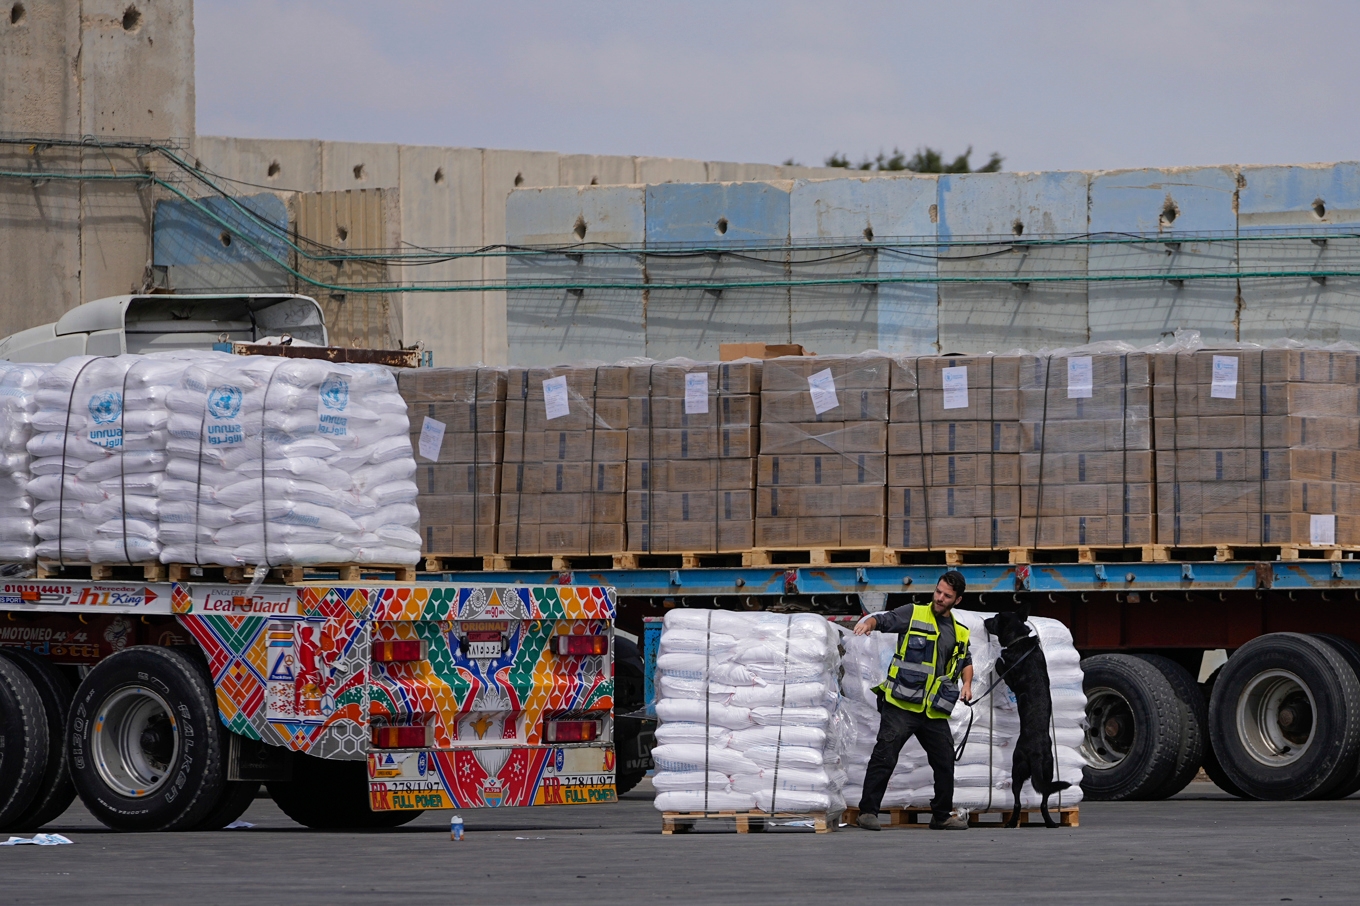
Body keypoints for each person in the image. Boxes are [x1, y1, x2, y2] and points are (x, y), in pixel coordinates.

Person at [853, 569, 973, 830]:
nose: (940, 598)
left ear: (957, 600)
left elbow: (965, 660)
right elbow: (885, 620)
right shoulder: (914, 612)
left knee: (944, 761)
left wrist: (967, 684)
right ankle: (867, 813)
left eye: (947, 595)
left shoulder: (960, 632)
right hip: (901, 704)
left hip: (933, 710)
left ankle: (941, 815)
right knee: (885, 756)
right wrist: (868, 624)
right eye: (938, 592)